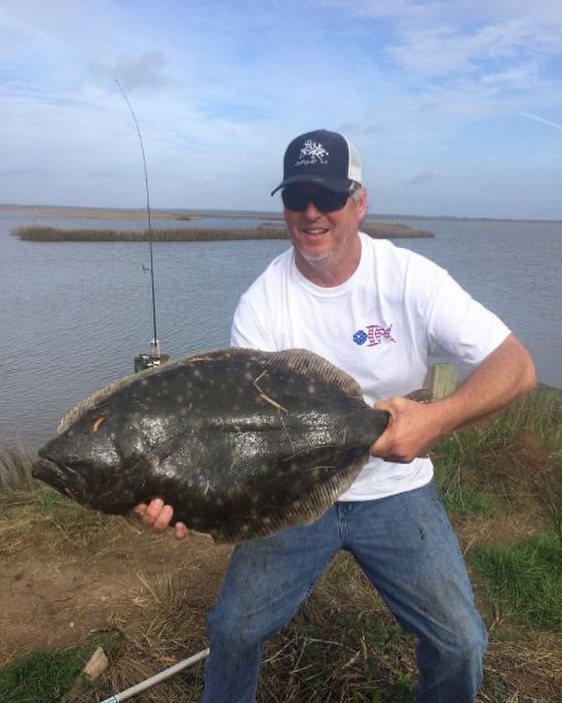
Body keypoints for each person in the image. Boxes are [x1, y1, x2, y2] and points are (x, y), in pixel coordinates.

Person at [135, 129, 537, 702]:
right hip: (298, 495)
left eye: (327, 197)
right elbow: (245, 438)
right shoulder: (261, 302)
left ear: (360, 202)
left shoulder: (409, 278)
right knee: (232, 629)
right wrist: (181, 495)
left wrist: (437, 418)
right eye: (297, 198)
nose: (311, 213)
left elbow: (516, 366)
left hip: (396, 490)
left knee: (462, 643)